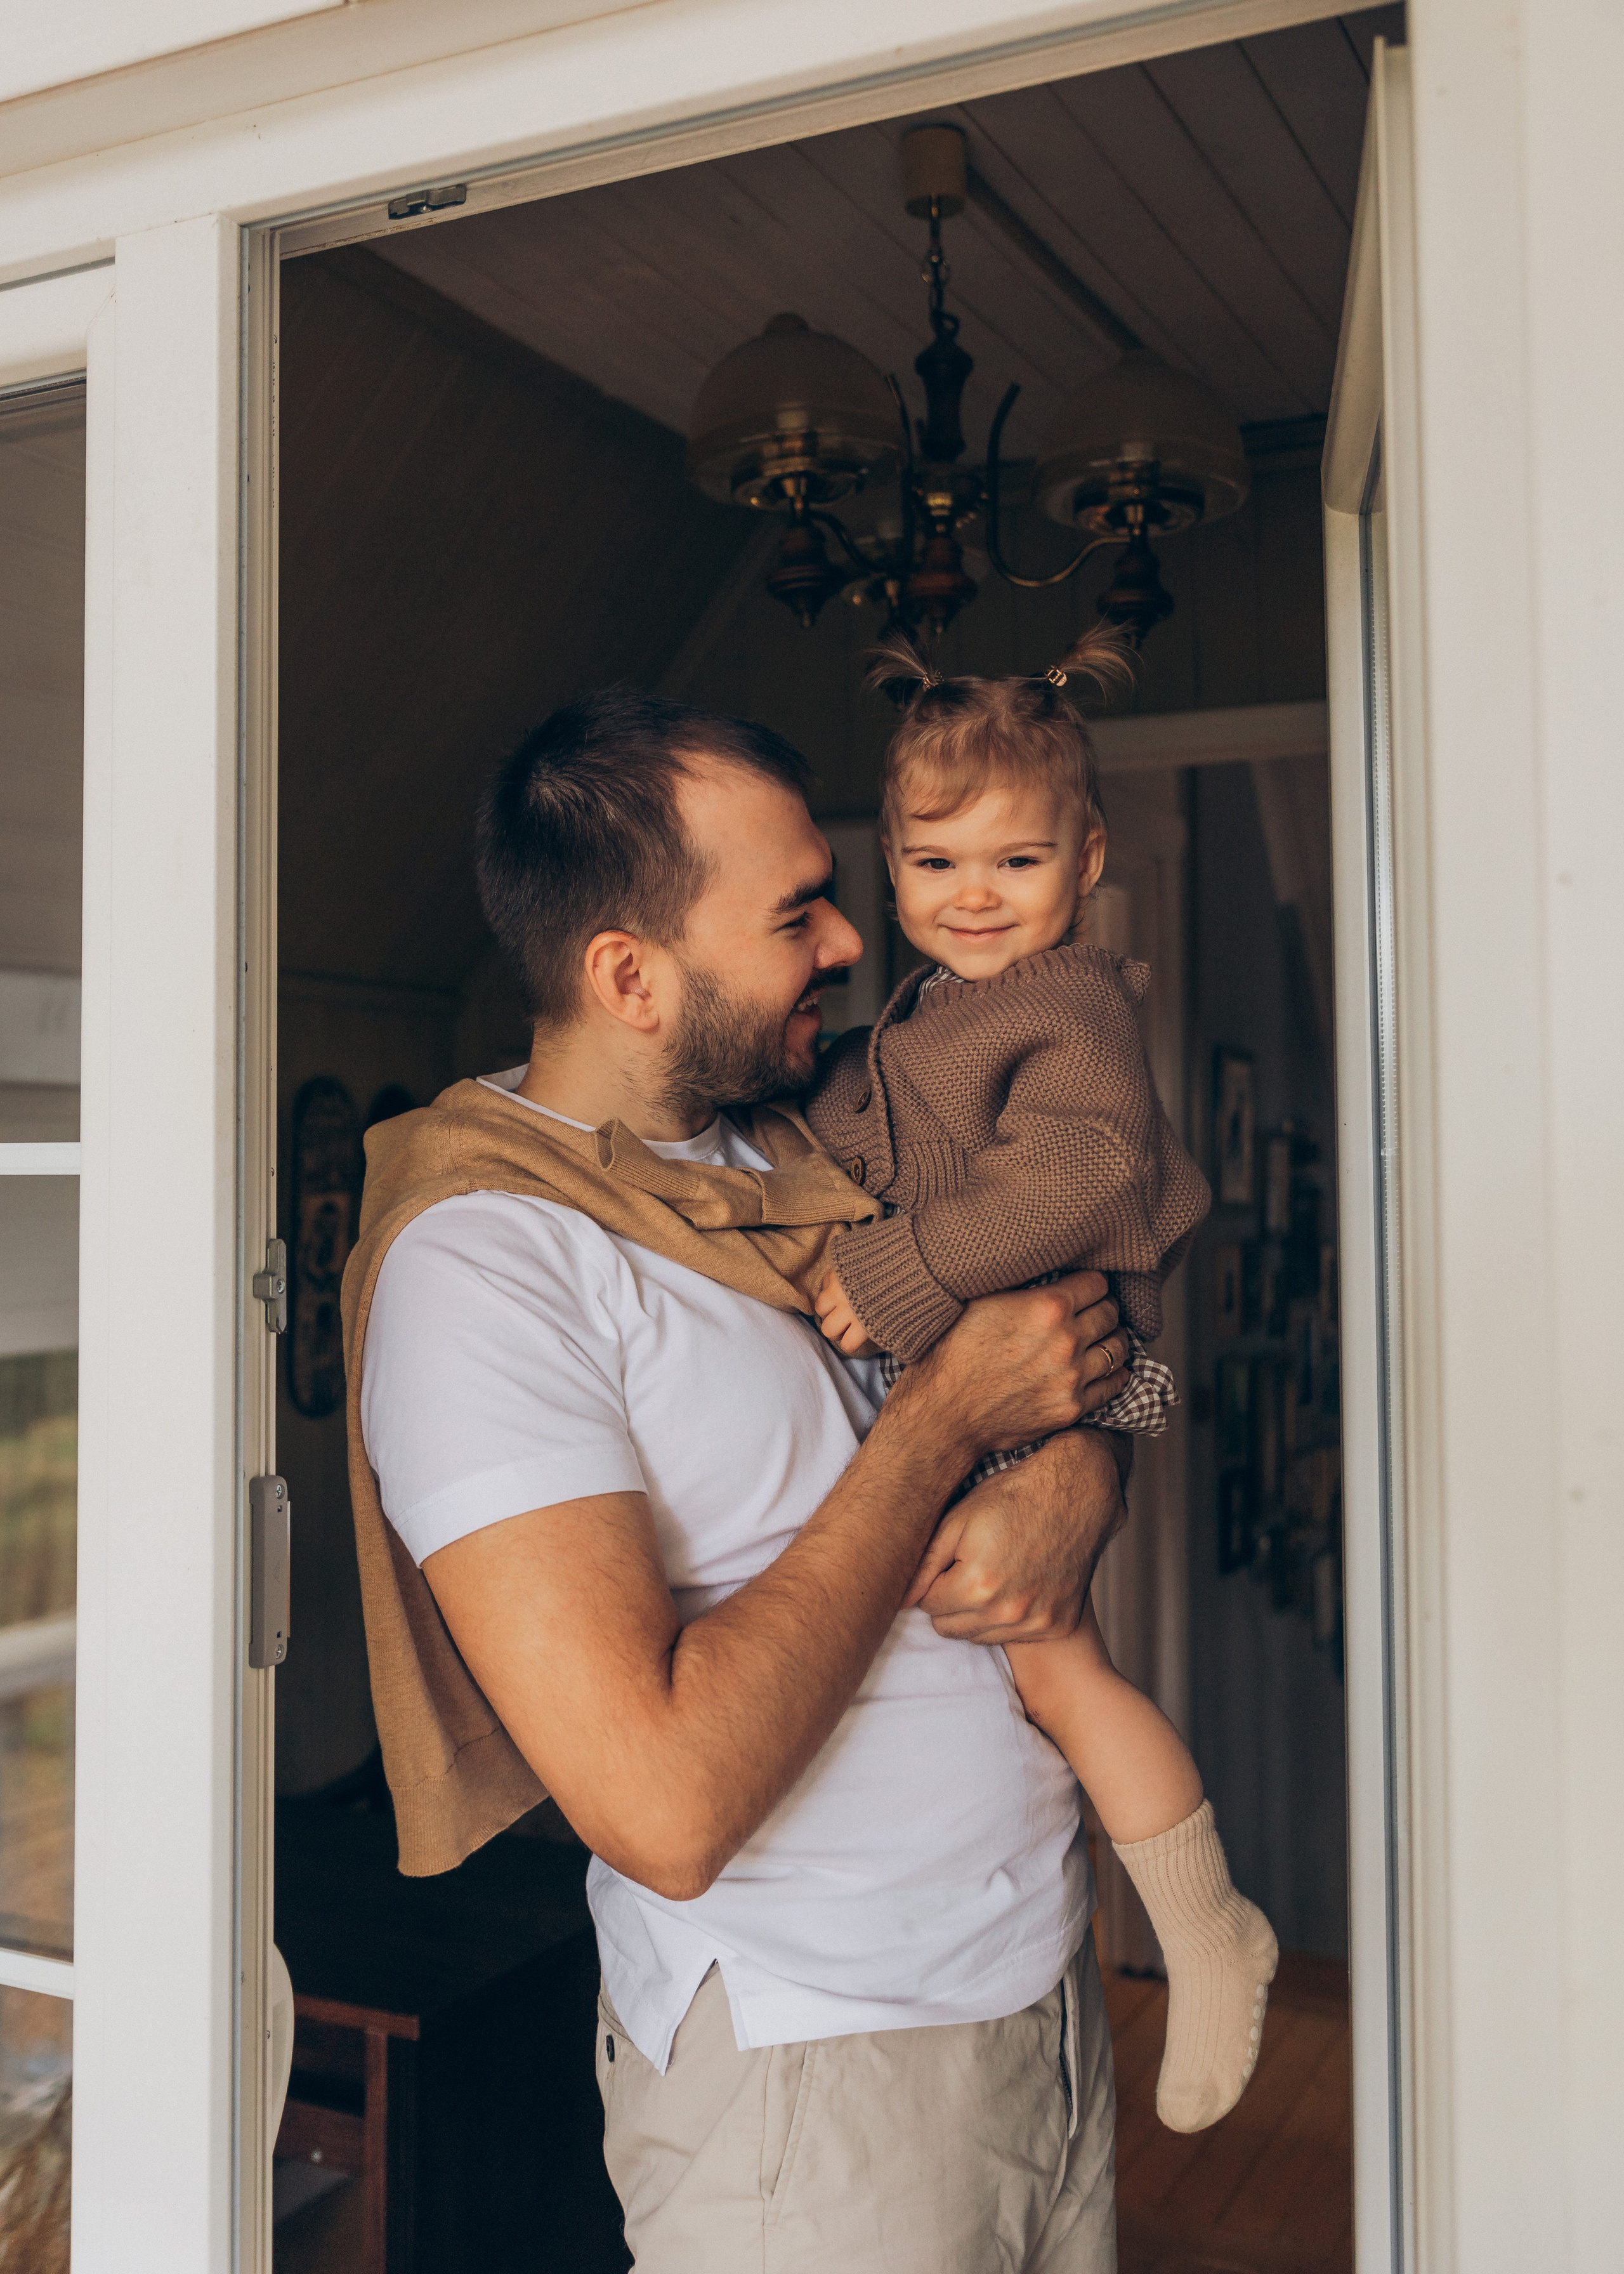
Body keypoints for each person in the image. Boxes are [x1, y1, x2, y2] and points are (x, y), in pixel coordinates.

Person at [344, 687, 1137, 2273]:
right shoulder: (486, 1265)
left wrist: (1090, 1470)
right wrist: (936, 1433)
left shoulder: (814, 1138)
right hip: (816, 2088)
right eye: (796, 913)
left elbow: (1104, 1333)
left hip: (1039, 1992)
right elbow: (662, 1807)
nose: (852, 941)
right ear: (628, 975)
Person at [806, 631, 1278, 2134]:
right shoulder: (931, 1013)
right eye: (938, 864)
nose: (975, 895)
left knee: (1061, 1663)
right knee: (1020, 1662)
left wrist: (893, 1274)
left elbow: (1079, 1173)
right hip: (1022, 1369)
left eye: (1016, 859)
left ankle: (1207, 1925)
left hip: (1071, 1372)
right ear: (890, 871)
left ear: (1083, 860)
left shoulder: (1066, 1005)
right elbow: (886, 1127)